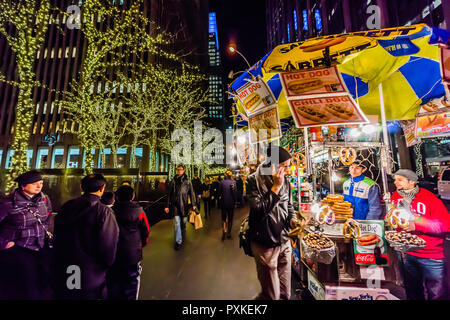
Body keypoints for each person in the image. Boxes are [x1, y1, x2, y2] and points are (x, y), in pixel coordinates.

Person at [53, 174, 119, 300]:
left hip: (67, 265)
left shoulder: (67, 206)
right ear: (102, 188)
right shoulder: (104, 211)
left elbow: (57, 235)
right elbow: (108, 244)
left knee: (71, 294)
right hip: (91, 271)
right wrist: (106, 265)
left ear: (81, 186)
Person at [246, 145, 298, 300]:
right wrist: (275, 187)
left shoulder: (286, 181)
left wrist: (293, 219)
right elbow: (258, 210)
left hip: (284, 240)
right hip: (265, 243)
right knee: (271, 295)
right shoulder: (252, 181)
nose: (288, 170)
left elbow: (288, 205)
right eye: (285, 166)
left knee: (285, 294)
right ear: (274, 165)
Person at [391, 169, 450, 300]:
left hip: (431, 255)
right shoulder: (396, 196)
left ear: (411, 181)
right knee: (412, 292)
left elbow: (446, 224)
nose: (395, 182)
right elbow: (395, 220)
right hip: (407, 254)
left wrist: (417, 225)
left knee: (437, 294)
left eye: (399, 180)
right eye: (395, 179)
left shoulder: (428, 198)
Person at [0, 170, 53, 299]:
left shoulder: (44, 199)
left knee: (43, 281)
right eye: (34, 183)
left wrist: (46, 229)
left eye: (41, 183)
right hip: (19, 248)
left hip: (41, 246)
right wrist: (4, 242)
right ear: (23, 186)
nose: (39, 186)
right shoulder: (8, 203)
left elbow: (48, 215)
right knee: (25, 285)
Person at [107, 185, 150, 300]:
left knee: (114, 282)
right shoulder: (139, 211)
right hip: (133, 253)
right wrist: (141, 245)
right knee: (132, 283)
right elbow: (146, 232)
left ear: (117, 197)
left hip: (114, 252)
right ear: (132, 196)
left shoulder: (110, 212)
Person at [164, 165, 197, 251]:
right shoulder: (173, 181)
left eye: (181, 170)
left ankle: (183, 227)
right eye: (178, 170)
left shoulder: (188, 181)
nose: (179, 171)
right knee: (177, 223)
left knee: (183, 221)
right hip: (175, 205)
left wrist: (193, 204)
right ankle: (178, 241)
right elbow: (169, 194)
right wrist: (167, 206)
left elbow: (191, 193)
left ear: (184, 171)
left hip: (185, 205)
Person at [218, 171, 237, 240]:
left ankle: (224, 231)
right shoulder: (234, 182)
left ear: (225, 175)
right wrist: (235, 202)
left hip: (223, 203)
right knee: (230, 218)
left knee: (223, 218)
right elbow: (235, 194)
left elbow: (219, 193)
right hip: (231, 203)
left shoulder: (221, 183)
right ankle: (229, 233)